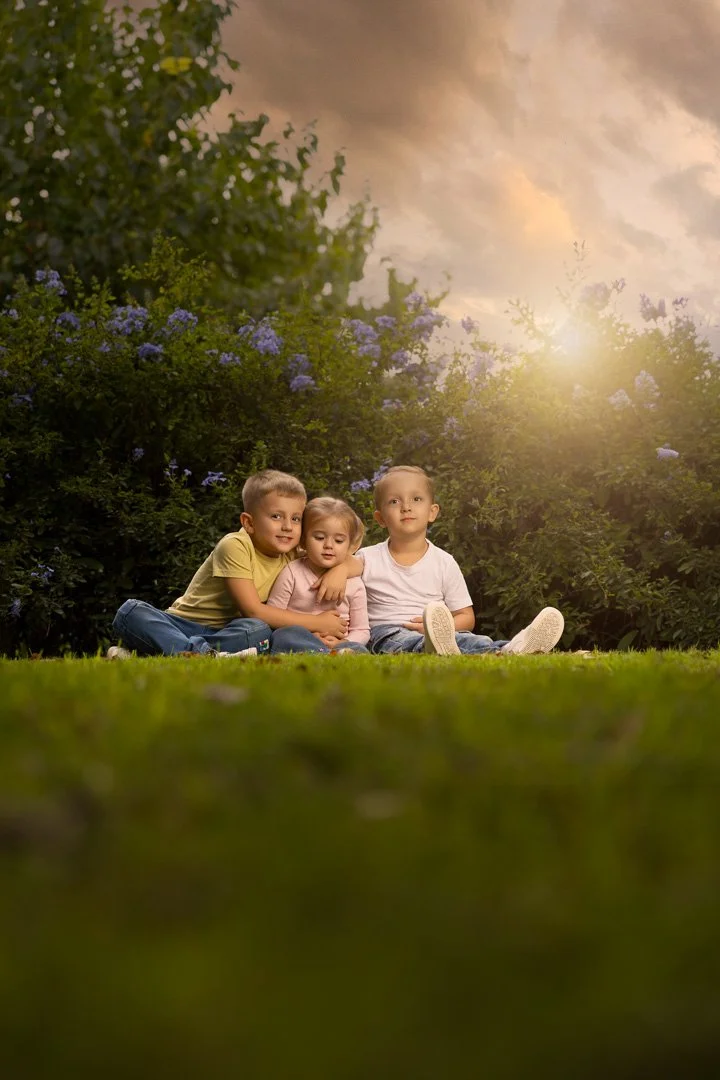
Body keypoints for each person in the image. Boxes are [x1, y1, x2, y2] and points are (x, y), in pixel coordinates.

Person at [108, 469, 349, 658]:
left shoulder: (292, 551)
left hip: (230, 633)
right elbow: (253, 609)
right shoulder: (235, 545)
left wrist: (341, 570)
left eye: (295, 518)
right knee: (130, 611)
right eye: (276, 516)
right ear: (249, 523)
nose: (287, 526)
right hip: (183, 624)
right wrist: (318, 623)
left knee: (257, 630)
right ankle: (197, 652)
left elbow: (356, 561)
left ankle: (167, 652)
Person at [332, 465, 564, 656]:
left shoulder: (444, 562)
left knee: (473, 639)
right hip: (388, 632)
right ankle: (437, 647)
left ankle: (512, 647)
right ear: (380, 518)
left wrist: (439, 628)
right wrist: (338, 571)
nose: (406, 507)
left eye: (416, 498)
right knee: (403, 641)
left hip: (440, 631)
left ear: (432, 512)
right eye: (394, 501)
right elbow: (344, 564)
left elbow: (466, 617)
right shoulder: (369, 557)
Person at [267, 497, 370, 655]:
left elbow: (361, 630)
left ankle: (333, 653)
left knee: (359, 649)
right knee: (283, 635)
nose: (328, 545)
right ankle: (321, 652)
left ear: (350, 545)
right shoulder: (292, 572)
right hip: (301, 637)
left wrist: (344, 642)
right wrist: (310, 633)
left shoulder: (355, 583)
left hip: (339, 643)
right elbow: (272, 615)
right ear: (303, 541)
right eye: (320, 538)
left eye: (339, 540)